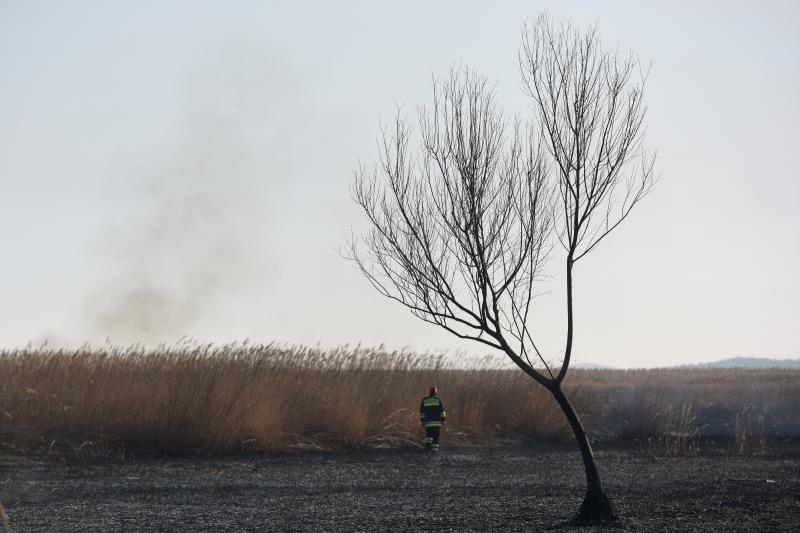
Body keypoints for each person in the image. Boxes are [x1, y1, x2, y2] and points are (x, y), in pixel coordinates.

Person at [419, 386, 446, 452]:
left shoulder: (425, 400)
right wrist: (443, 420)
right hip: (437, 423)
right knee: (436, 437)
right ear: (435, 392)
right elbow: (442, 411)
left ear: (429, 392)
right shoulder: (438, 400)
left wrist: (422, 421)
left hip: (428, 423)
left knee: (428, 436)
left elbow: (422, 412)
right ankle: (434, 452)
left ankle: (427, 449)